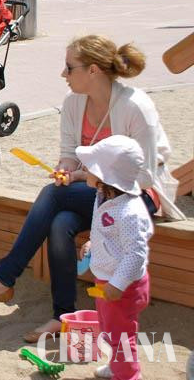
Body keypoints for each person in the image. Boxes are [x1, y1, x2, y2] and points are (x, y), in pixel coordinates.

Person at [0, 35, 182, 343]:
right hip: (96, 192)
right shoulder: (74, 101)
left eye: (69, 67)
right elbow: (68, 153)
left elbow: (144, 175)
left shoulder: (135, 106)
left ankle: (5, 277)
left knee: (53, 195)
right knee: (60, 222)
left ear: (93, 70)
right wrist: (66, 170)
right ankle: (62, 316)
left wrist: (80, 176)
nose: (63, 74)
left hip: (136, 195)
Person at [76, 136, 153, 380]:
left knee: (121, 335)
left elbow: (136, 253)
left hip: (123, 286)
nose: (85, 169)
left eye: (91, 166)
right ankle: (118, 366)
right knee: (111, 329)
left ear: (105, 176)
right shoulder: (105, 197)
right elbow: (108, 234)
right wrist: (93, 243)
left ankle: (129, 375)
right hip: (107, 280)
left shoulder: (129, 211)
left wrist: (117, 284)